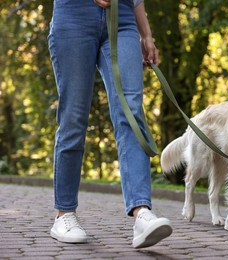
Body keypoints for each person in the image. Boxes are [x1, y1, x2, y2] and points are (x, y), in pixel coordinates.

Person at [48, 0, 172, 248]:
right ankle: (64, 214)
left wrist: (146, 34)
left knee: (132, 113)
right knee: (73, 118)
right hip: (73, 14)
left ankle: (141, 212)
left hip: (123, 17)